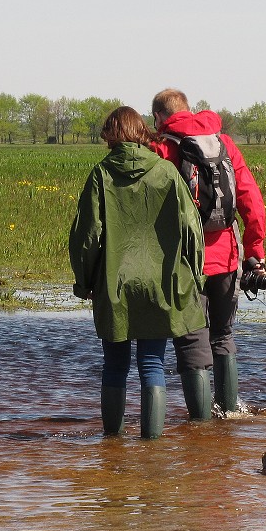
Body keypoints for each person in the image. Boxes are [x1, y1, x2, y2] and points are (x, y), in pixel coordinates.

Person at [69, 106, 207, 439]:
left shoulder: (101, 174)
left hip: (113, 282)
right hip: (161, 283)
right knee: (152, 365)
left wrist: (84, 281)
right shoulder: (167, 172)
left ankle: (112, 445)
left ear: (110, 135)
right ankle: (152, 448)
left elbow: (86, 235)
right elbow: (192, 229)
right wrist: (196, 276)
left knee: (114, 366)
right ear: (141, 132)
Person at [151, 88, 266, 416]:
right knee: (223, 336)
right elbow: (252, 202)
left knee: (191, 341)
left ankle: (199, 432)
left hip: (185, 261)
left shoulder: (163, 148)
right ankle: (230, 416)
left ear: (160, 117)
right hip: (229, 256)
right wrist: (254, 252)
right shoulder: (224, 144)